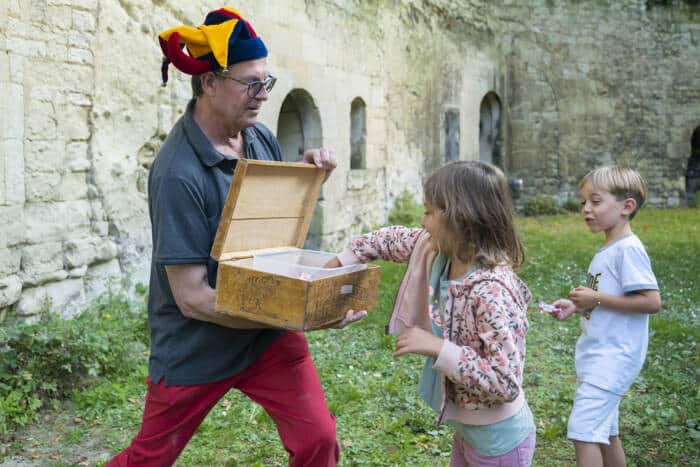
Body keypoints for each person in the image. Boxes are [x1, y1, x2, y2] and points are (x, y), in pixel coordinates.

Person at [107, 7, 364, 466]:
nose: (263, 95)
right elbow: (191, 298)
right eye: (251, 83)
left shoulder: (260, 139)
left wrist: (309, 183)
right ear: (208, 83)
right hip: (196, 344)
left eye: (267, 81)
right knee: (149, 458)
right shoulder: (177, 173)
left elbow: (273, 235)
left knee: (318, 440)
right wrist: (293, 310)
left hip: (264, 338)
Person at [326, 161, 536, 466]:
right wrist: (340, 261)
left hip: (500, 444)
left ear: (459, 218)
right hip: (470, 433)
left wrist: (438, 347)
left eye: (428, 212)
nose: (423, 222)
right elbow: (390, 240)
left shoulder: (491, 291)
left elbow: (505, 381)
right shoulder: (438, 251)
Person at [545, 166, 661, 467]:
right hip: (598, 355)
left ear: (627, 206)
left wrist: (595, 297)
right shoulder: (608, 249)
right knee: (606, 432)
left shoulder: (628, 249)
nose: (586, 209)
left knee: (583, 432)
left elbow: (651, 301)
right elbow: (612, 300)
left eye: (595, 202)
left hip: (614, 357)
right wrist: (579, 307)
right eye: (584, 202)